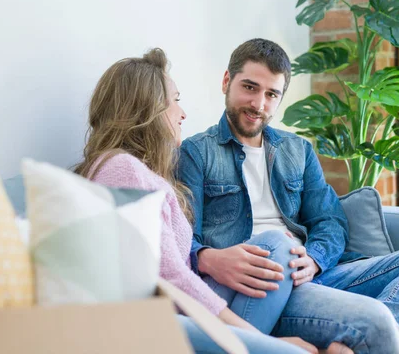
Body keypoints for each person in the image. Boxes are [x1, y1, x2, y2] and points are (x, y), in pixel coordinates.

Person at [177, 38, 399, 353]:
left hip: (319, 274)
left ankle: (347, 344)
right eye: (250, 87)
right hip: (265, 286)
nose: (259, 104)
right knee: (371, 316)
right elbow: (180, 238)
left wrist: (315, 259)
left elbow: (329, 220)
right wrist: (206, 258)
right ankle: (358, 334)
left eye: (271, 94)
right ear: (226, 82)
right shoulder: (196, 152)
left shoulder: (297, 150)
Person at [73, 48, 327, 354]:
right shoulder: (122, 170)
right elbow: (170, 277)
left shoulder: (130, 169)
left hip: (185, 306)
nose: (182, 114)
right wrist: (265, 343)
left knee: (278, 248)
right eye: (175, 100)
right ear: (148, 109)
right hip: (169, 321)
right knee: (276, 247)